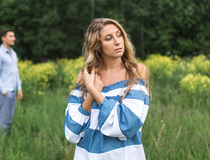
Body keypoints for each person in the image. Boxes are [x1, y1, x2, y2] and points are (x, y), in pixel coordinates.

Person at [64, 18, 150, 159]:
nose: (117, 41)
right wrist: (91, 94)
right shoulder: (86, 75)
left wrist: (93, 90)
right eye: (108, 38)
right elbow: (71, 132)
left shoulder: (136, 71)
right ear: (98, 46)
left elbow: (126, 125)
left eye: (119, 34)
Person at [0, 29, 23, 135]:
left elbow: (16, 72)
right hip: (4, 92)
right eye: (11, 36)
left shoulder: (13, 53)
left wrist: (19, 88)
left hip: (12, 90)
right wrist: (4, 92)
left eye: (13, 36)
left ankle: (4, 141)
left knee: (9, 119)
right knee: (3, 119)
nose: (14, 38)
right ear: (3, 38)